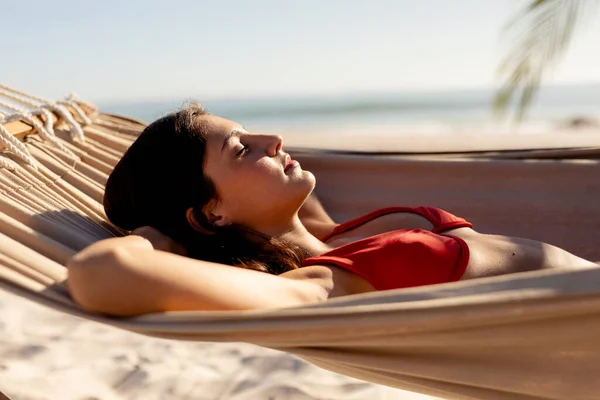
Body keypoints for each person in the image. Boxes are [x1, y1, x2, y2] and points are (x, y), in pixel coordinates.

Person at [67, 104, 599, 316]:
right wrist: (155, 238)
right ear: (210, 215)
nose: (272, 138)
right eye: (240, 149)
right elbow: (102, 273)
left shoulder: (326, 229)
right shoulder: (318, 284)